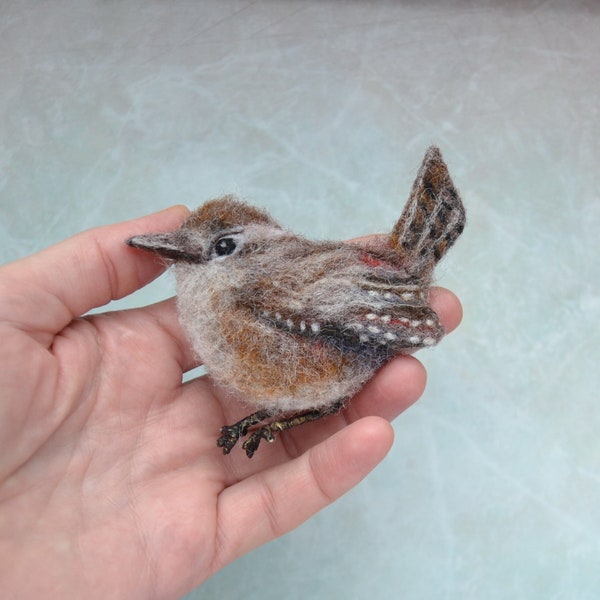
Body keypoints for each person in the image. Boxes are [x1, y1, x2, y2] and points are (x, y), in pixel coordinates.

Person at [0, 205, 462, 599]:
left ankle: (294, 415)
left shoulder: (260, 292)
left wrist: (403, 313)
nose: (194, 256)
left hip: (351, 341)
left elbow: (362, 315)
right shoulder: (218, 306)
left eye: (222, 247)